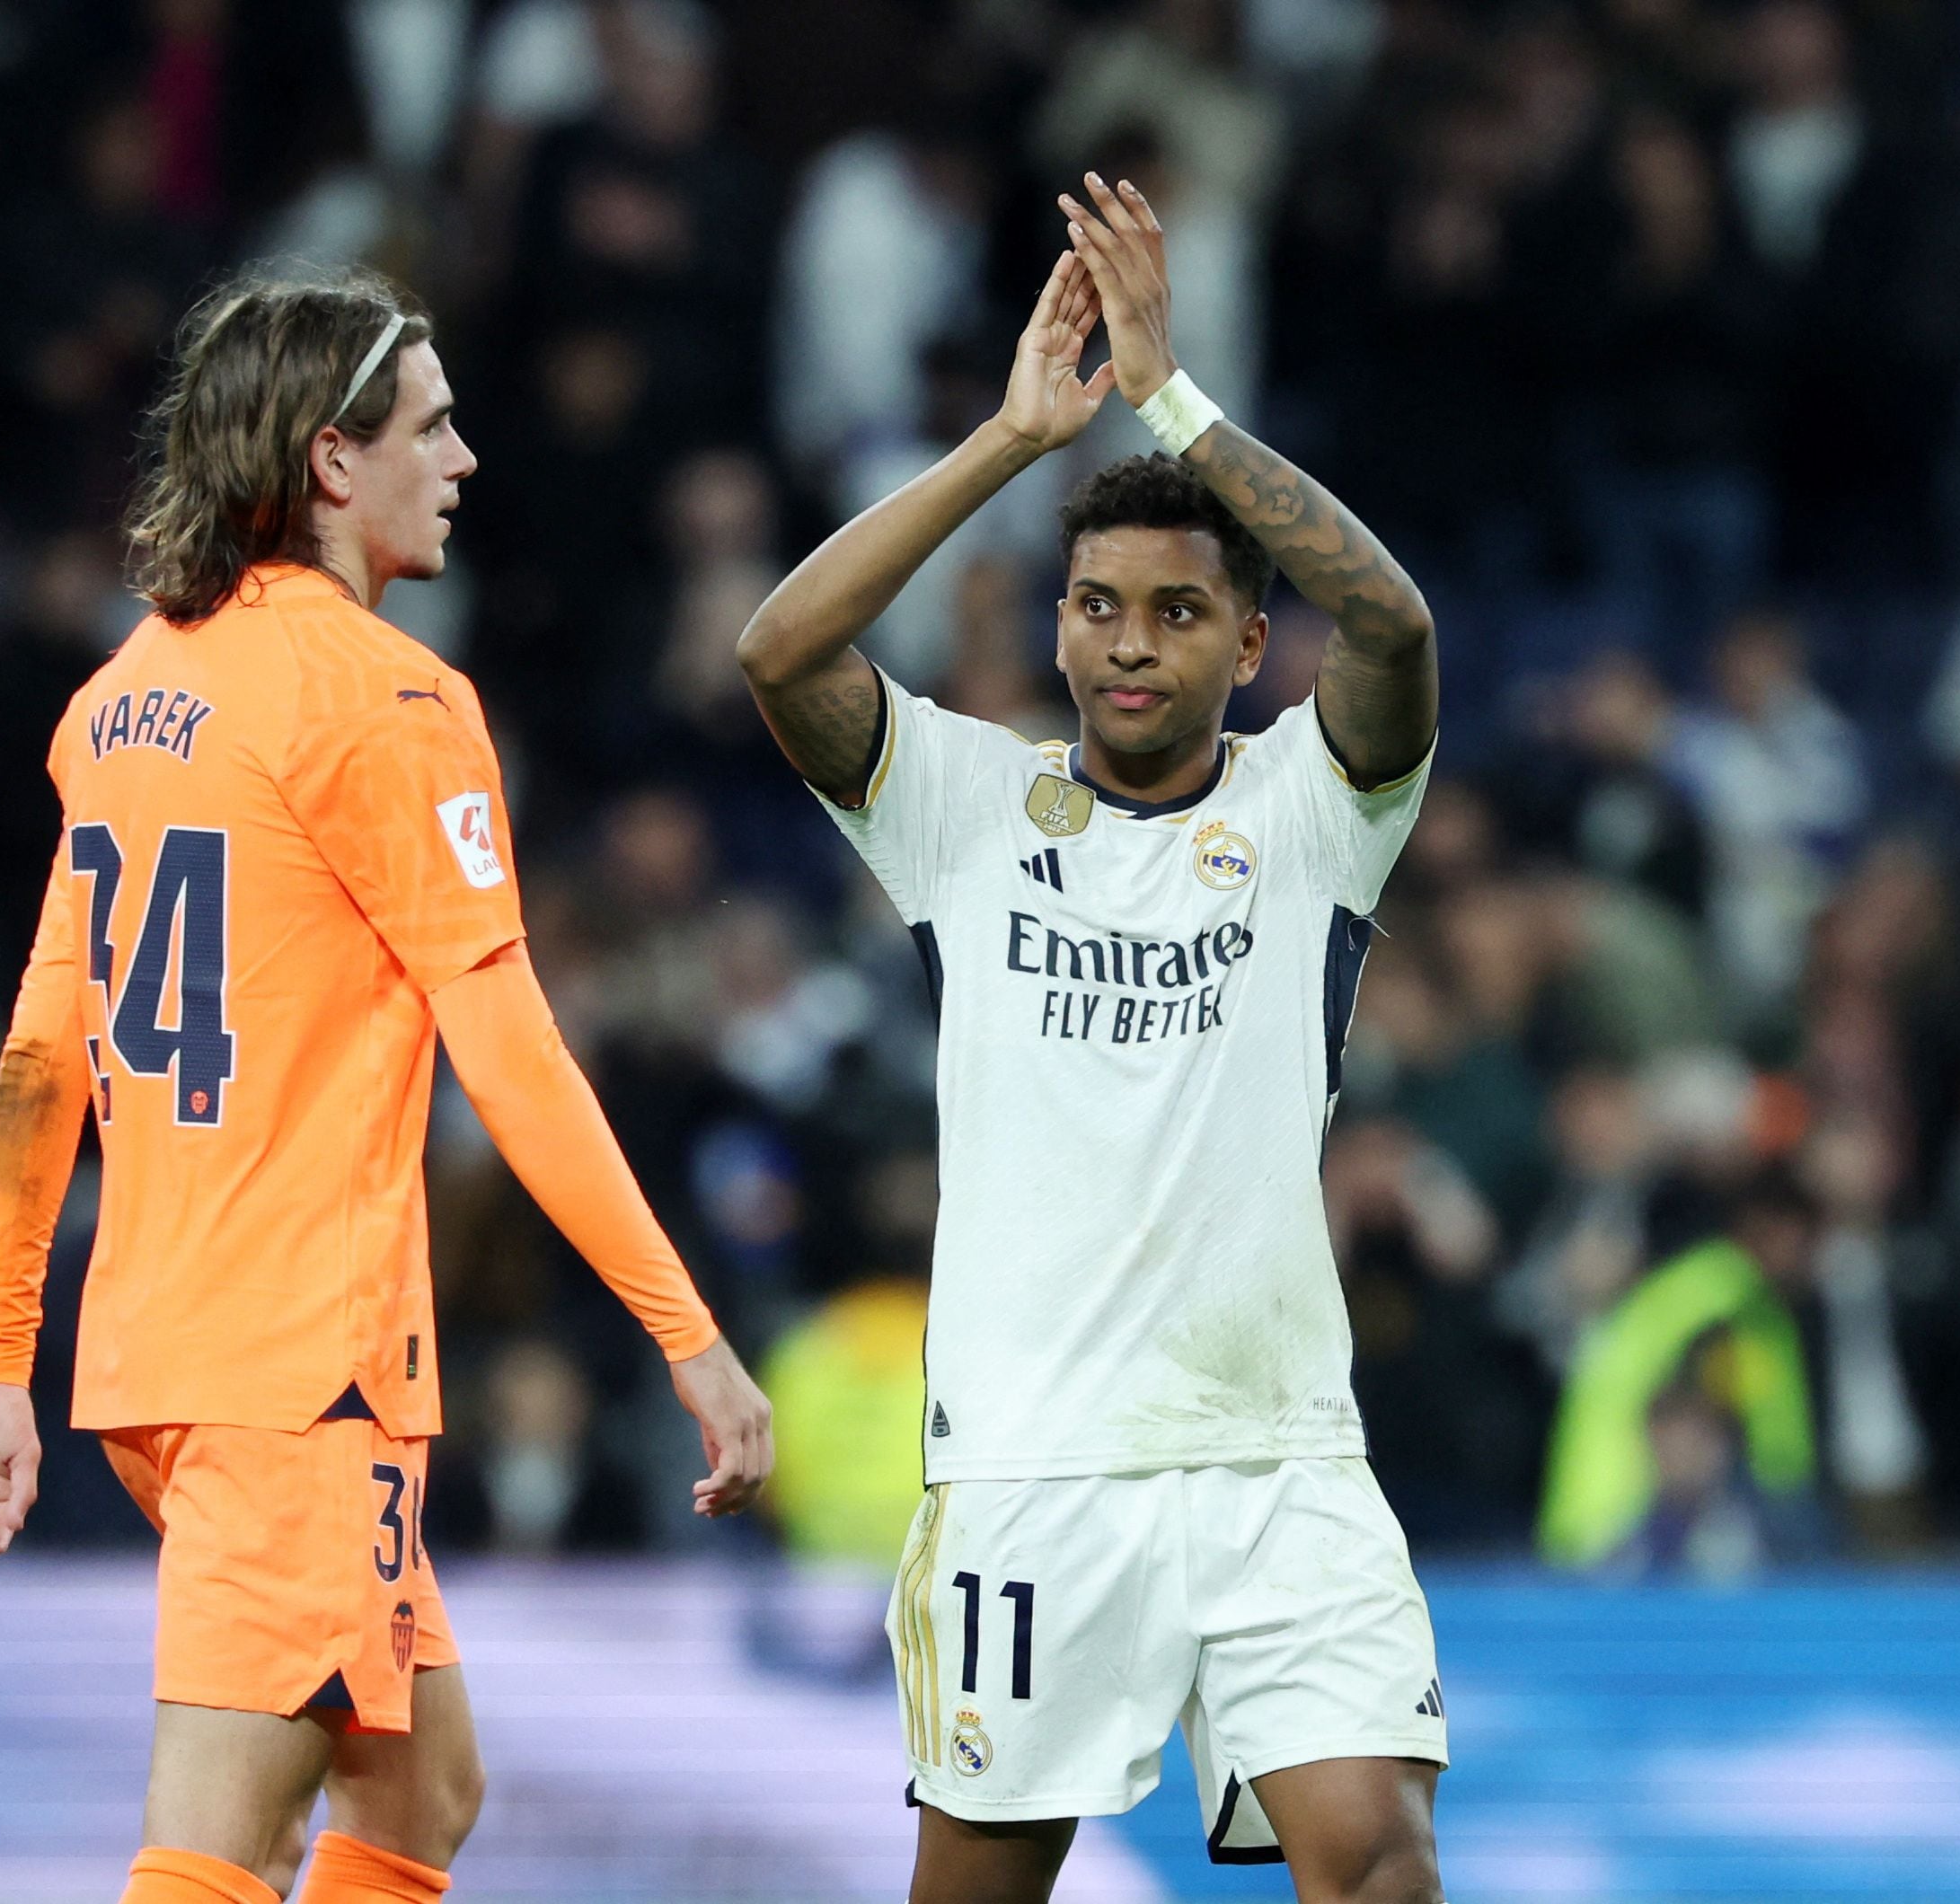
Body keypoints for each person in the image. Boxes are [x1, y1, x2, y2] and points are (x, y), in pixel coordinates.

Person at [0, 269, 772, 1904]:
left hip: (168, 1355)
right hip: (304, 1368)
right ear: (328, 461)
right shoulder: (395, 701)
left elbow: (43, 1050)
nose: (462, 459)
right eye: (432, 428)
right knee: (221, 1847)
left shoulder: (124, 698)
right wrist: (691, 1336)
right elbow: (507, 1045)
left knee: (417, 1791)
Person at [739, 176, 1447, 1903]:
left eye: (1180, 610)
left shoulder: (1312, 810)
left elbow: (1401, 628)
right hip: (1033, 1468)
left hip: (1279, 1454)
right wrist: (1006, 441)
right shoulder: (966, 808)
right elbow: (779, 648)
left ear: (1246, 644)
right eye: (1099, 605)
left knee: (1380, 1868)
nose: (1131, 642)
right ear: (1056, 621)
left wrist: (1173, 402)